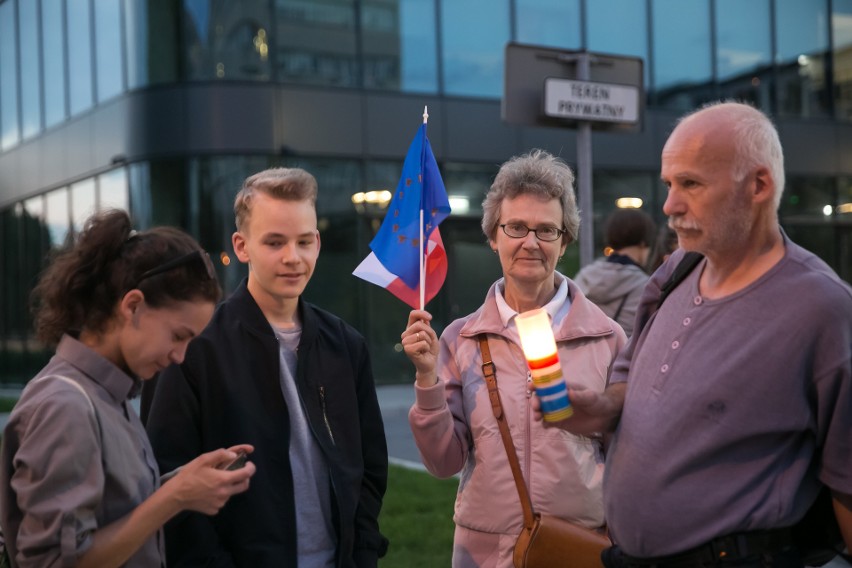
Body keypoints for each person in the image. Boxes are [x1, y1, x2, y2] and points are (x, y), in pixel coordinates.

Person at [535, 101, 852, 566]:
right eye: (669, 184)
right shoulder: (675, 272)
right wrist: (604, 407)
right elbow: (630, 373)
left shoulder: (823, 307)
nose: (669, 205)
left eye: (691, 184)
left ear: (759, 185)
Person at [143, 167, 389, 567]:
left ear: (317, 243)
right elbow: (167, 481)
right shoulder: (193, 349)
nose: (293, 258)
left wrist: (361, 555)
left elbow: (369, 472)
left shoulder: (346, 345)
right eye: (274, 242)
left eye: (303, 242)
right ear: (242, 246)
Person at [401, 149, 626, 567]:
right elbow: (442, 462)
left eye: (546, 230)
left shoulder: (608, 339)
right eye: (516, 227)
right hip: (485, 554)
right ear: (494, 236)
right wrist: (428, 378)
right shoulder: (460, 339)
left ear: (565, 241)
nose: (530, 242)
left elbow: (627, 461)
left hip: (578, 549)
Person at [0, 209, 256, 568]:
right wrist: (175, 498)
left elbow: (113, 514)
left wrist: (182, 482)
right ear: (132, 305)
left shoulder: (107, 396)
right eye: (179, 336)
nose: (181, 357)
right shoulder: (65, 406)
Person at [573, 208, 656, 336]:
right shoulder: (645, 286)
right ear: (643, 243)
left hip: (584, 353)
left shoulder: (586, 275)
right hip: (622, 354)